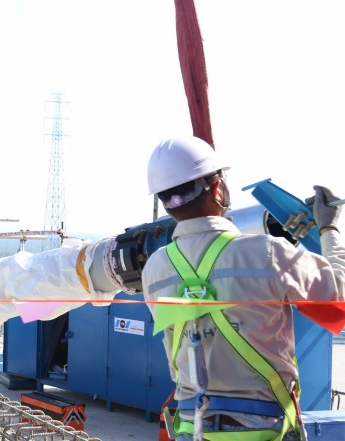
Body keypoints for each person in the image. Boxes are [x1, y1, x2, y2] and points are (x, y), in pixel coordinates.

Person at [142, 136, 345, 441]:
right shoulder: (267, 253)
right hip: (263, 427)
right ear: (217, 187)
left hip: (191, 427)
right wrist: (329, 228)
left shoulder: (155, 269)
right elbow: (337, 302)